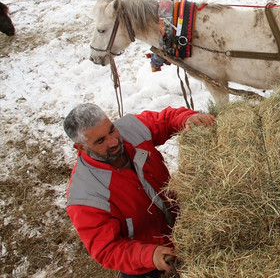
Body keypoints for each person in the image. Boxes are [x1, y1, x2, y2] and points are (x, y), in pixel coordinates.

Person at [63, 103, 215, 277]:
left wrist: (187, 118)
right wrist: (149, 255)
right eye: (100, 141)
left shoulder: (131, 129)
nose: (113, 141)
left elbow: (165, 120)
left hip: (185, 231)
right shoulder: (85, 195)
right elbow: (107, 249)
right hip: (145, 263)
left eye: (111, 130)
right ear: (81, 147)